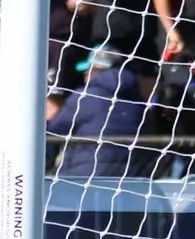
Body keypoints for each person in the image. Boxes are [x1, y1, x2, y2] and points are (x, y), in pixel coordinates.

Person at [46, 45, 155, 179]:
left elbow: (54, 130)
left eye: (86, 72)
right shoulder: (138, 101)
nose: (85, 77)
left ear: (94, 71)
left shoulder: (84, 97)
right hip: (129, 179)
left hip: (83, 177)